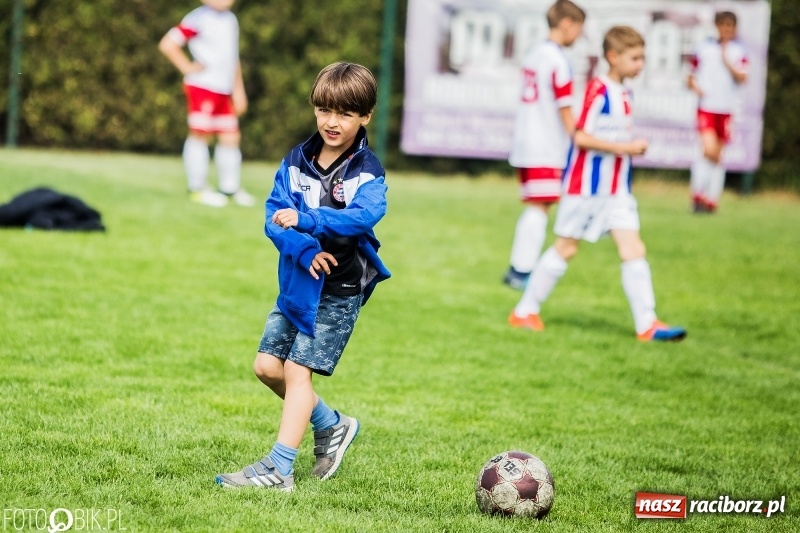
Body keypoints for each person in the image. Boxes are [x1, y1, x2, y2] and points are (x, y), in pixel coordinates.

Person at [216, 62, 391, 490]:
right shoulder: (295, 162)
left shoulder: (366, 170)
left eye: (345, 113)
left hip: (339, 289)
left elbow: (363, 216)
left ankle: (279, 469)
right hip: (298, 283)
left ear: (366, 116)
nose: (332, 121)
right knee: (266, 367)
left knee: (297, 371)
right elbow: (274, 218)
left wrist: (310, 221)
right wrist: (305, 248)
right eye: (324, 109)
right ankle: (332, 424)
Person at [508, 26, 686, 342]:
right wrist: (625, 148)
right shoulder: (598, 90)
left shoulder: (626, 94)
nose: (640, 64)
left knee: (633, 248)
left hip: (617, 190)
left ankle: (648, 324)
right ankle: (524, 311)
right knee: (566, 248)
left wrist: (625, 150)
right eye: (634, 58)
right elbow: (581, 137)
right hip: (586, 189)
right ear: (613, 57)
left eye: (642, 58)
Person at [504, 0, 586, 290]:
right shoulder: (557, 59)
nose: (579, 35)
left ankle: (518, 268)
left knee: (538, 205)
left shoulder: (535, 53)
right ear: (566, 24)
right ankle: (521, 270)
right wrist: (579, 138)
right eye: (579, 28)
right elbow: (565, 107)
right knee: (540, 207)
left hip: (527, 141)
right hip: (546, 144)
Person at [158, 0, 256, 207]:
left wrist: (238, 90)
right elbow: (168, 44)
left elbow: (233, 58)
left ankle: (229, 189)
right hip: (203, 87)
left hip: (224, 89)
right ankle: (197, 188)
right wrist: (186, 67)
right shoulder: (198, 18)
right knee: (200, 134)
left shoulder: (231, 20)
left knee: (231, 137)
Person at [687, 11, 748, 213]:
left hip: (727, 108)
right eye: (722, 25)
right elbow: (690, 75)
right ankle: (698, 193)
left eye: (730, 25)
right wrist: (695, 86)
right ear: (716, 26)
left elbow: (743, 77)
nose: (726, 29)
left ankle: (710, 198)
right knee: (709, 150)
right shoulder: (704, 48)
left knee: (718, 155)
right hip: (707, 106)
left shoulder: (738, 51)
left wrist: (726, 60)